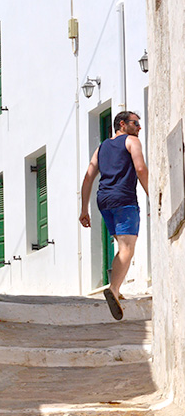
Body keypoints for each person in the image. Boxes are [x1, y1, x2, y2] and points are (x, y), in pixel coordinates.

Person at [80, 110, 149, 320]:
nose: (139, 127)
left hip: (104, 201)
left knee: (122, 246)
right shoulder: (132, 141)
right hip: (124, 199)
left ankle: (116, 289)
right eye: (135, 123)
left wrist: (84, 209)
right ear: (122, 124)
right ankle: (114, 288)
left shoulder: (101, 148)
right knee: (128, 248)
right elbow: (140, 168)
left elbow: (88, 178)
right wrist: (152, 194)